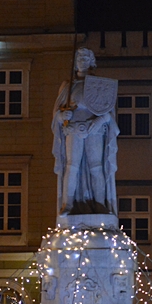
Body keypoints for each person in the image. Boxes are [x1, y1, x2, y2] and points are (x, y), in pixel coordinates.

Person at [51, 47, 119, 215]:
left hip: (94, 129)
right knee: (71, 166)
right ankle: (68, 204)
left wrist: (100, 120)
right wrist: (62, 115)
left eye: (86, 58)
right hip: (73, 129)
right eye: (79, 58)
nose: (82, 61)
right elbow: (57, 114)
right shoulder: (68, 86)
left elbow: (109, 113)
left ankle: (100, 204)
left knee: (96, 167)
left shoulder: (99, 85)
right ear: (75, 63)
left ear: (91, 62)